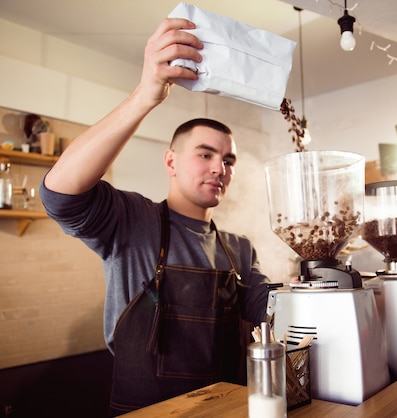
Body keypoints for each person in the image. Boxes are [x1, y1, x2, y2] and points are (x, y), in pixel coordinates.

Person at [39, 17, 271, 415]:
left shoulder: (239, 249)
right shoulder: (132, 221)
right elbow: (60, 195)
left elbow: (270, 309)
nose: (220, 168)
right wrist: (146, 94)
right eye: (205, 154)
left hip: (227, 407)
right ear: (171, 161)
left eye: (228, 160)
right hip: (144, 410)